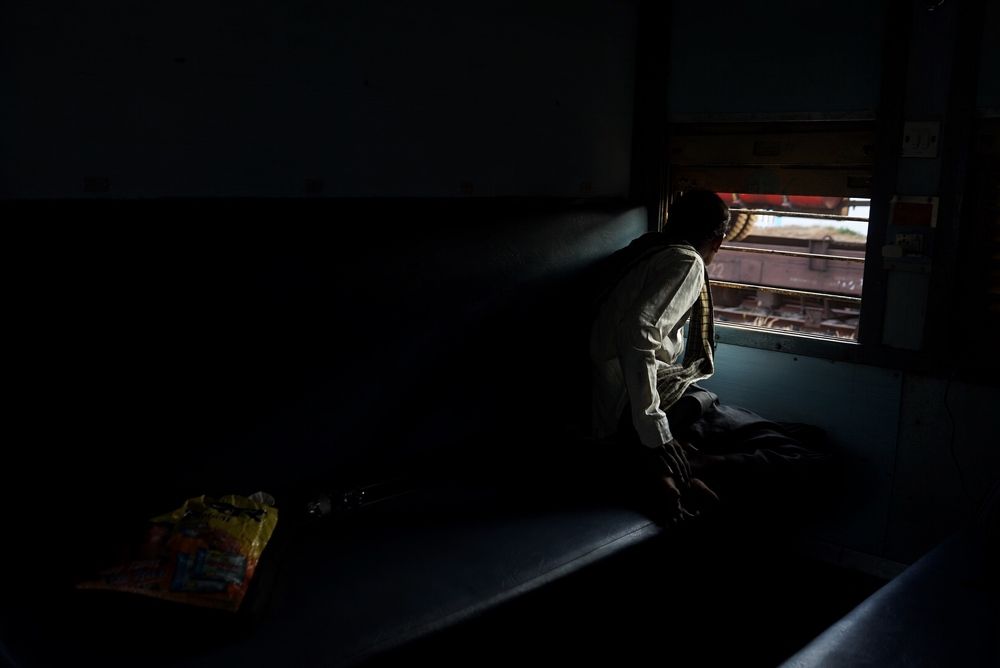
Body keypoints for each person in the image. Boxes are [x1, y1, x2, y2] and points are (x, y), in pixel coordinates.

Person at [589, 189, 830, 524]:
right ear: (718, 240)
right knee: (813, 457)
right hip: (648, 405)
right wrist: (655, 433)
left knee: (808, 436)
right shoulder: (685, 260)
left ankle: (682, 469)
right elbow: (637, 335)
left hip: (620, 400)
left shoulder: (641, 251)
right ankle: (689, 466)